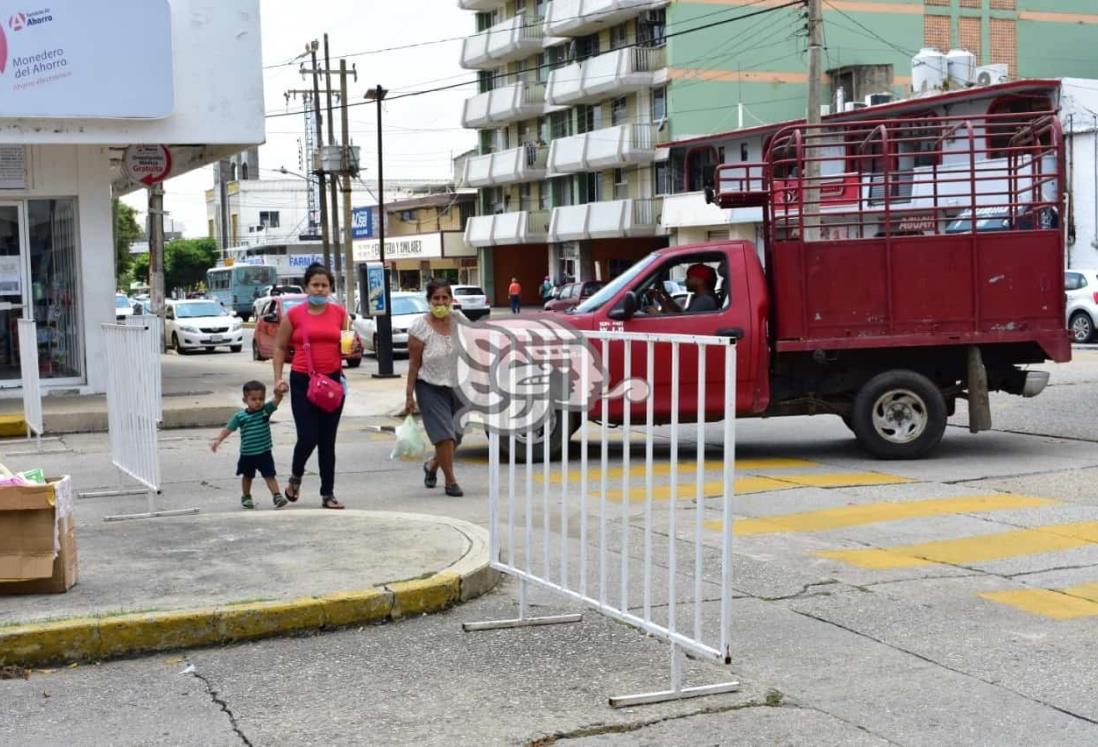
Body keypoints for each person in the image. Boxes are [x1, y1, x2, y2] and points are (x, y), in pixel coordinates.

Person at [272, 263, 348, 510]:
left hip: (332, 382)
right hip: (303, 380)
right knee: (308, 436)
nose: (320, 289)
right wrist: (278, 378)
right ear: (306, 287)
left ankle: (328, 493)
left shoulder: (339, 313)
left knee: (328, 440)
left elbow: (348, 344)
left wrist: (353, 346)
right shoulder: (295, 315)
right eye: (315, 284)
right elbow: (280, 348)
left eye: (324, 285)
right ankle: (296, 476)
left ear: (330, 288)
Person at [405, 279, 467, 497]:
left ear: (451, 300)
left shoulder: (459, 320)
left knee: (457, 436)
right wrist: (409, 395)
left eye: (444, 298)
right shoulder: (419, 327)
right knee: (444, 435)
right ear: (429, 301)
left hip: (458, 386)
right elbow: (413, 364)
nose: (440, 303)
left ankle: (432, 466)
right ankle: (450, 482)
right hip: (429, 386)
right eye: (436, 299)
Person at [211, 380, 286, 510]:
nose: (258, 402)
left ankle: (277, 495)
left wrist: (279, 392)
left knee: (270, 475)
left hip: (264, 452)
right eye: (254, 399)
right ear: (245, 400)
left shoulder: (265, 411)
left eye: (261, 399)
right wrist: (218, 440)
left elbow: (277, 400)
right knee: (247, 476)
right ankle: (246, 496)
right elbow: (229, 429)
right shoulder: (240, 416)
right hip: (247, 454)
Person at [646, 263, 721, 314]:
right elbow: (680, 314)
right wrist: (663, 296)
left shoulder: (704, 301)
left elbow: (683, 325)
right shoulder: (703, 298)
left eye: (688, 277)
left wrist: (656, 313)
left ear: (699, 280)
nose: (685, 281)